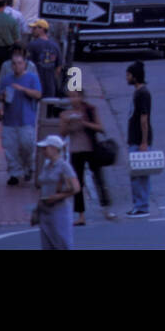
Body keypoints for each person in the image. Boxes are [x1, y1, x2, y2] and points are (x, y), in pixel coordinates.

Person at [60, 89, 116, 225]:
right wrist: (69, 125)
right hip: (75, 150)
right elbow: (62, 133)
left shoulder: (90, 109)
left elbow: (100, 128)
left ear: (81, 97)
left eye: (75, 96)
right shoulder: (65, 114)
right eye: (70, 97)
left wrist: (84, 123)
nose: (73, 100)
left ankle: (107, 208)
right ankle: (81, 215)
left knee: (99, 179)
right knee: (78, 183)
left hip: (91, 148)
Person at [0, 50, 42, 186]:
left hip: (26, 119)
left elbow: (38, 94)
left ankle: (28, 167)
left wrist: (23, 89)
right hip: (9, 119)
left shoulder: (32, 78)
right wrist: (1, 98)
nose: (17, 66)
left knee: (27, 146)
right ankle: (14, 173)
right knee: (10, 148)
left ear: (25, 65)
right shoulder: (6, 80)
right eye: (14, 64)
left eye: (19, 63)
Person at [35, 135, 80, 250]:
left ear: (54, 149)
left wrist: (57, 197)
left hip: (59, 210)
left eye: (46, 148)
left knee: (62, 243)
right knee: (47, 244)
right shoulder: (46, 166)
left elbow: (76, 188)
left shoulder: (64, 166)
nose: (43, 151)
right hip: (45, 210)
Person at [125, 62, 152, 218]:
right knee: (137, 173)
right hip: (134, 139)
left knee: (139, 174)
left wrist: (144, 141)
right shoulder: (138, 93)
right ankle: (139, 204)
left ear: (135, 77)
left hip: (138, 140)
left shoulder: (143, 94)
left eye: (128, 75)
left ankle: (141, 205)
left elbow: (144, 118)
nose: (126, 78)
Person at [26, 20, 62, 100]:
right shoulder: (55, 45)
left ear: (41, 29)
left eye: (34, 28)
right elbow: (58, 67)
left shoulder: (32, 45)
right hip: (50, 86)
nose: (32, 31)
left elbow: (27, 66)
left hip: (35, 86)